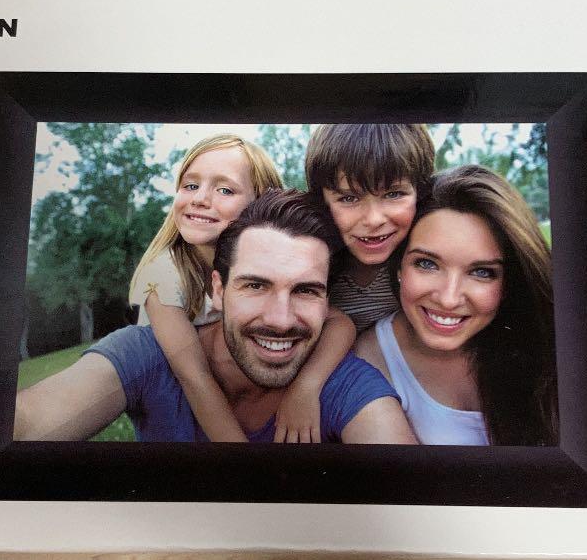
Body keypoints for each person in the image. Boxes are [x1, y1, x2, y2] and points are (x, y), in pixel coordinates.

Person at [15, 190, 416, 445]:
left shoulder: (343, 382)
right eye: (255, 285)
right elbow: (28, 422)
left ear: (328, 300)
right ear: (218, 290)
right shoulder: (147, 355)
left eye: (306, 290)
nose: (280, 320)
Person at [128, 134, 355, 443]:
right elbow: (195, 378)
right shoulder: (164, 275)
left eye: (224, 190)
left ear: (259, 200)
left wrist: (305, 388)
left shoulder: (271, 263)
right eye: (190, 185)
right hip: (180, 405)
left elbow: (340, 322)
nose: (200, 199)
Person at [355, 165, 557, 446]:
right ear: (399, 267)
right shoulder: (368, 361)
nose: (449, 299)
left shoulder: (550, 348)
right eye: (427, 264)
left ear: (509, 282)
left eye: (482, 272)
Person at [305, 123, 435, 332]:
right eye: (349, 198)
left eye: (393, 194)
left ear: (420, 193)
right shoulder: (308, 266)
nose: (374, 220)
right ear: (321, 202)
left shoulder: (432, 265)